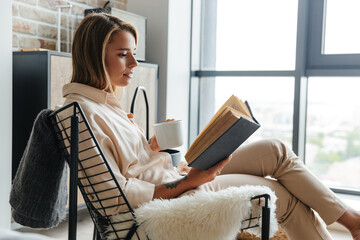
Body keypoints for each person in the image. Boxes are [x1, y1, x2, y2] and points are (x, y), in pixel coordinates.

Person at [62, 13, 360, 240]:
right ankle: (353, 225)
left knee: (276, 150)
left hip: (174, 176)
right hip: (176, 194)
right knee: (277, 193)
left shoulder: (104, 104)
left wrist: (151, 146)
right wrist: (192, 181)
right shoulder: (83, 113)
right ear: (94, 56)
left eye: (134, 53)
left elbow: (128, 164)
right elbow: (117, 197)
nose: (134, 64)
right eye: (123, 54)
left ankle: (351, 220)